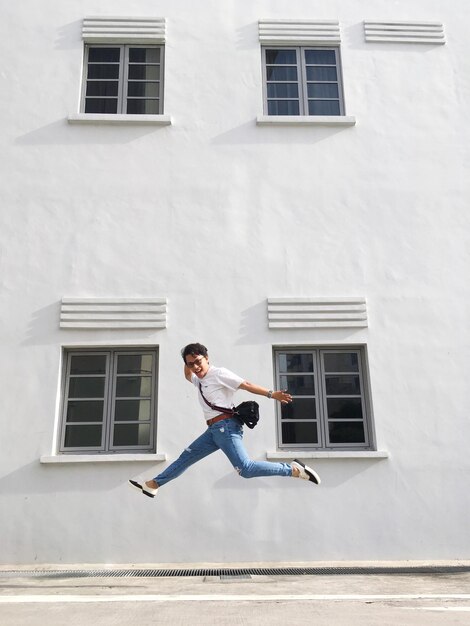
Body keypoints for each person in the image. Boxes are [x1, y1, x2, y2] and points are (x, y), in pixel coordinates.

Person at [129, 343, 320, 498]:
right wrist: (186, 358)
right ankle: (153, 485)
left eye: (198, 362)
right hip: (213, 431)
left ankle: (293, 470)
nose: (195, 367)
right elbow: (187, 375)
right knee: (186, 458)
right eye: (190, 364)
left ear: (207, 358)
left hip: (225, 427)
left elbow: (246, 385)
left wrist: (272, 394)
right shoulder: (199, 379)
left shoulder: (219, 374)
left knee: (246, 469)